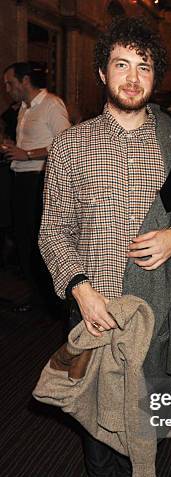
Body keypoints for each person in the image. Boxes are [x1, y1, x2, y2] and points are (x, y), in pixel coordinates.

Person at [39, 17, 171, 477]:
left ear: (155, 76)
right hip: (94, 299)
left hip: (155, 304)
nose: (133, 78)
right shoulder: (71, 145)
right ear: (102, 74)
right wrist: (79, 287)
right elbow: (51, 232)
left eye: (144, 67)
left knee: (144, 402)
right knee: (93, 402)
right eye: (122, 66)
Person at [2, 62, 70, 312]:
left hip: (38, 179)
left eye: (11, 83)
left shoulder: (51, 104)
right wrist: (14, 147)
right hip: (20, 178)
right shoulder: (24, 108)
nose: (8, 89)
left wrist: (27, 153)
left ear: (25, 81)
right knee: (23, 240)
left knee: (37, 241)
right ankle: (38, 296)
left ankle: (52, 300)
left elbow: (66, 142)